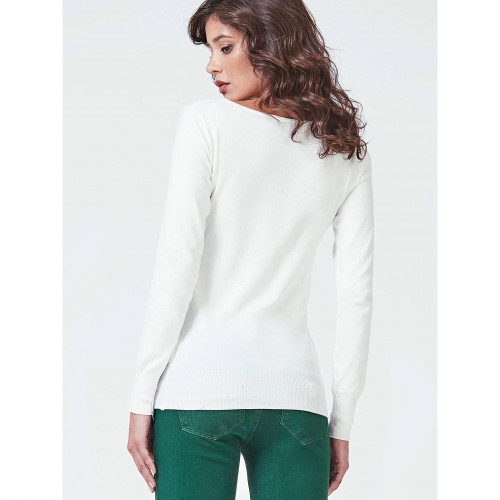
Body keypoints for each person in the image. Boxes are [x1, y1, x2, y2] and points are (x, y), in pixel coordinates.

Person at [127, 1, 374, 498]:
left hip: (198, 389)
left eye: (226, 47)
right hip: (297, 400)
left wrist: (141, 397)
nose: (211, 65)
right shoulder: (343, 151)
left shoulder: (205, 122)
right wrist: (341, 422)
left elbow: (177, 265)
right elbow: (357, 299)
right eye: (210, 50)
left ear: (272, 44)